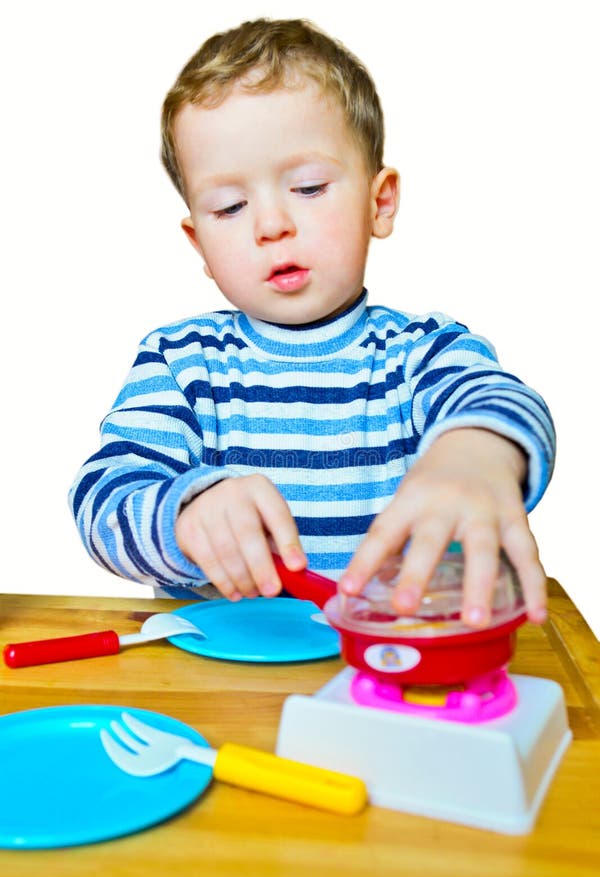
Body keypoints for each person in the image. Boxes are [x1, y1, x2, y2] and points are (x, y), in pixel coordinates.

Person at [69, 17, 555, 628]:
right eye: (230, 206)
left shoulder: (421, 353)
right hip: (217, 684)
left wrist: (476, 457)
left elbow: (501, 401)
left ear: (379, 203)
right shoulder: (179, 361)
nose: (270, 224)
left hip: (382, 677)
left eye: (308, 186)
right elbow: (101, 502)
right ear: (199, 244)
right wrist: (183, 513)